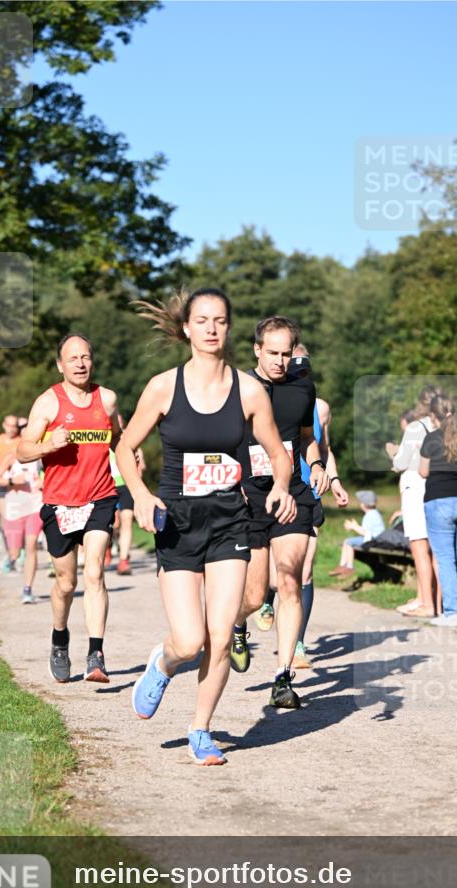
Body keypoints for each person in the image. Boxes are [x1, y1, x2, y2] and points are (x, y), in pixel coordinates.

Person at [115, 288, 294, 765]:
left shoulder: (249, 391)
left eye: (220, 320)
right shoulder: (163, 387)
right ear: (187, 328)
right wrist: (140, 494)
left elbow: (278, 453)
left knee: (219, 634)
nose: (212, 328)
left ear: (228, 329)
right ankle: (163, 662)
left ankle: (201, 729)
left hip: (228, 521)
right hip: (176, 521)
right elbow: (124, 448)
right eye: (203, 320)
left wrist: (279, 485)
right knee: (189, 640)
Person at [229, 317, 329, 710]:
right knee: (254, 596)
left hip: (292, 495)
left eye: (287, 353)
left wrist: (317, 465)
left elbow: (306, 440)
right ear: (256, 349)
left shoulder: (303, 388)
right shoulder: (238, 389)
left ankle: (282, 677)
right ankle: (239, 625)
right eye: (272, 353)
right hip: (250, 497)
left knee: (289, 582)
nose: (280, 361)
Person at [17, 334, 122, 682]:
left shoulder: (106, 400)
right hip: (59, 503)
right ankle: (60, 639)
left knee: (94, 572)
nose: (80, 363)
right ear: (60, 365)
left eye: (86, 357)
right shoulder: (48, 403)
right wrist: (48, 444)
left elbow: (120, 439)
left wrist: (130, 455)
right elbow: (22, 450)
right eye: (72, 358)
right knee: (66, 582)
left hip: (100, 497)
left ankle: (96, 653)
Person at [289, 344, 349, 669]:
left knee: (306, 568)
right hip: (277, 491)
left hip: (311, 489)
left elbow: (325, 449)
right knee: (278, 573)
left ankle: (298, 644)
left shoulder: (321, 407)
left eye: (304, 370)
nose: (299, 376)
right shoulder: (270, 398)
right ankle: (268, 603)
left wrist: (335, 480)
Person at [419, 394, 457, 626]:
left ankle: (452, 613)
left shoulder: (431, 439)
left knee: (445, 559)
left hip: (439, 500)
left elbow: (423, 472)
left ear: (434, 417)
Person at [386, 387, 441, 617]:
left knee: (419, 546)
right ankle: (435, 602)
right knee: (437, 549)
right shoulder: (445, 425)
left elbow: (401, 463)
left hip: (415, 486)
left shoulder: (415, 427)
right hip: (438, 487)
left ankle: (426, 604)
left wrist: (393, 452)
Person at [0, 430, 43, 602]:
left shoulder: (41, 457)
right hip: (14, 507)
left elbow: (55, 474)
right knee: (15, 552)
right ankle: (11, 558)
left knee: (31, 546)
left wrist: (45, 481)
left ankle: (28, 589)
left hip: (35, 506)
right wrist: (12, 482)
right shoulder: (12, 457)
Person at [109, 446, 145, 575]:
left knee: (127, 519)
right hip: (108, 485)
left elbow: (141, 466)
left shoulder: (131, 440)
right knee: (114, 523)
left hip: (126, 485)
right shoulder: (103, 436)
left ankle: (123, 561)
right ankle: (108, 544)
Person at [331, 491, 385, 575]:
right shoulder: (374, 514)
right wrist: (356, 526)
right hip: (375, 539)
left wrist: (353, 526)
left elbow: (366, 533)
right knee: (347, 541)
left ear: (363, 504)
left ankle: (349, 567)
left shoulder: (369, 515)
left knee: (349, 542)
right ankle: (342, 566)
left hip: (373, 540)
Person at [0, 415, 21, 546]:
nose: (11, 428)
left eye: (14, 425)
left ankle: (19, 548)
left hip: (17, 484)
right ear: (4, 425)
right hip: (1, 482)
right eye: (9, 425)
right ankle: (9, 550)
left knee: (18, 518)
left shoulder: (21, 441)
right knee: (5, 518)